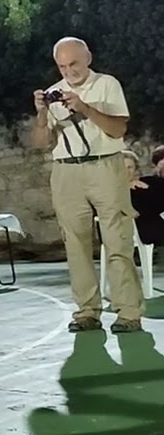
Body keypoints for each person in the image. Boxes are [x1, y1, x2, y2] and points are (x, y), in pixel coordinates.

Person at [30, 36, 143, 333]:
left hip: (106, 165)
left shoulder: (107, 84)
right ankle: (87, 311)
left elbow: (118, 130)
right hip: (66, 171)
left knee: (117, 240)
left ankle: (128, 312)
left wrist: (85, 108)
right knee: (75, 244)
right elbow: (42, 143)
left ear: (88, 58)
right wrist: (42, 114)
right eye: (62, 66)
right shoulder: (55, 92)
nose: (69, 71)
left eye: (74, 64)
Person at [128, 147, 164, 246]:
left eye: (129, 167)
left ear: (136, 169)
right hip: (141, 228)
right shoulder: (110, 189)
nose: (126, 171)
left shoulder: (150, 182)